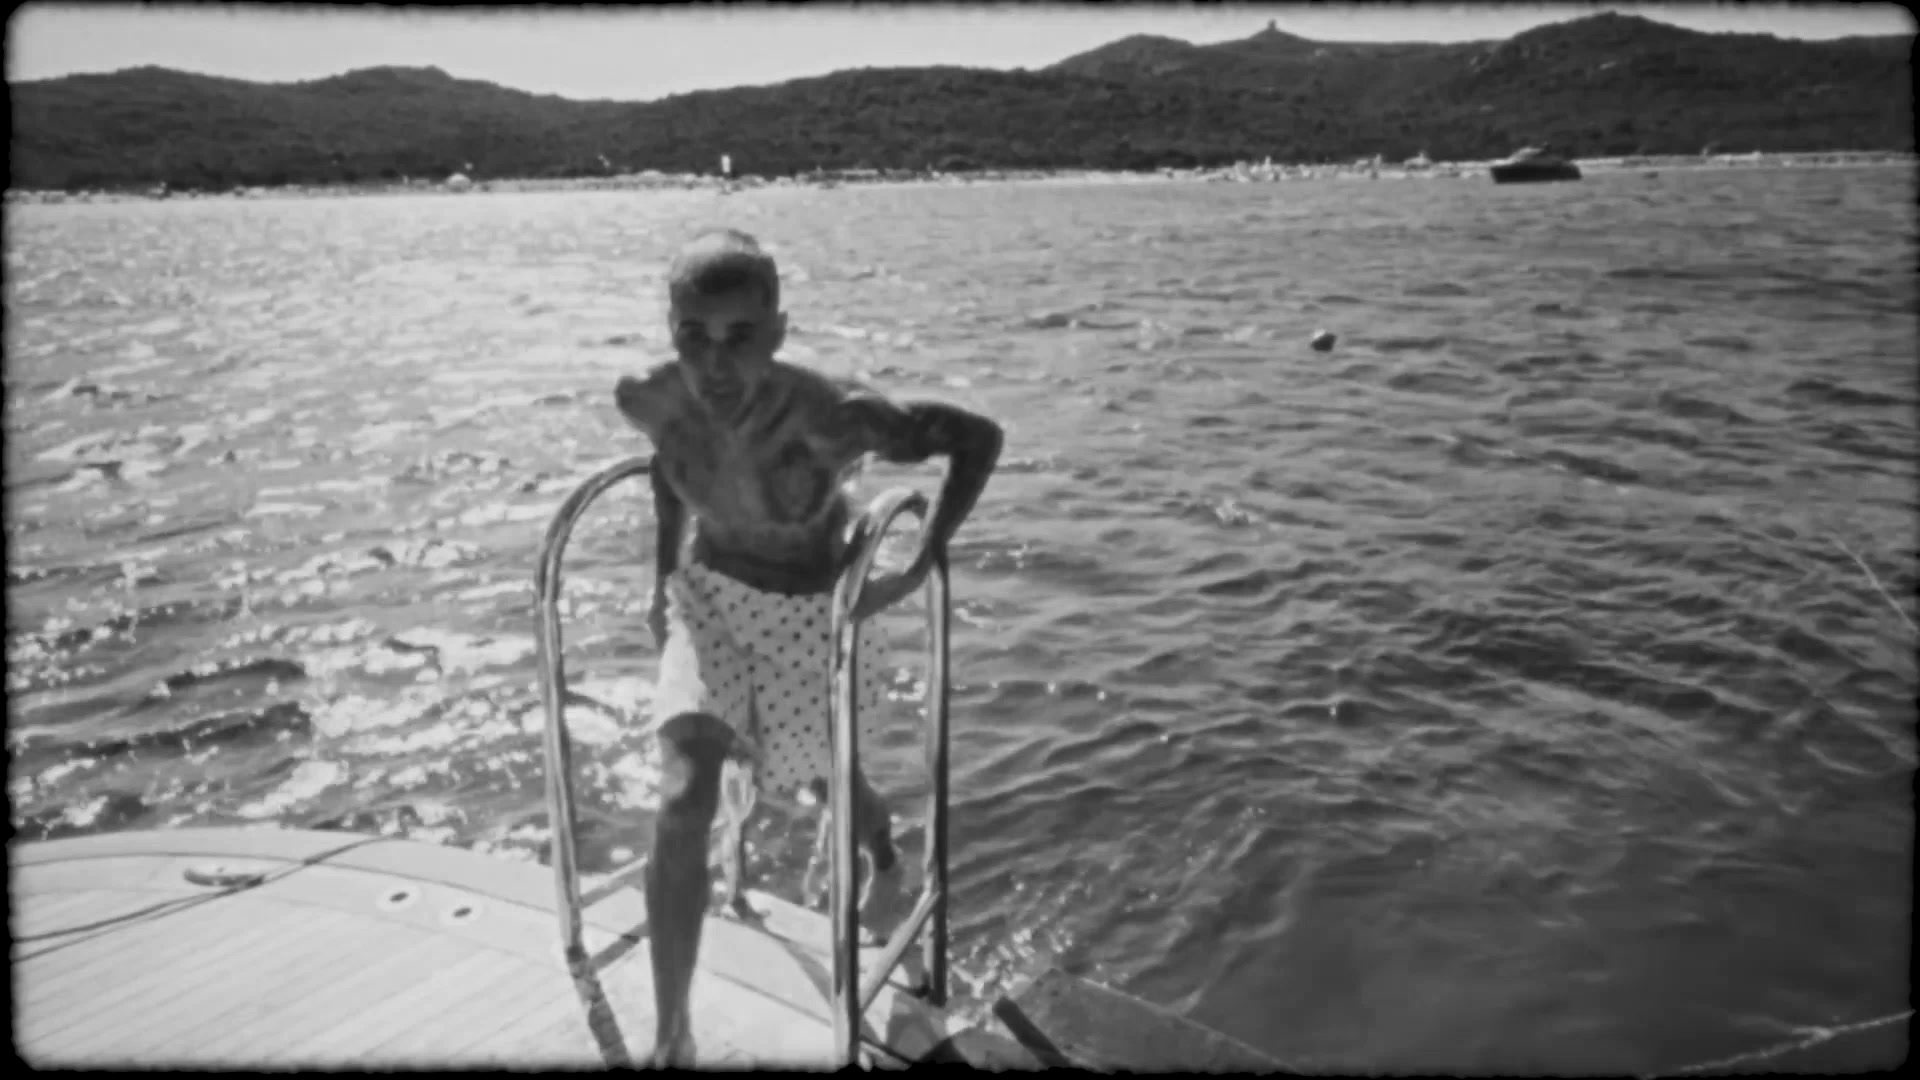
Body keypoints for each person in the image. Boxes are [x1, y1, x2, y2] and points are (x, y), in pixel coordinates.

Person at [614, 228, 1003, 1065]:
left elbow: (978, 438)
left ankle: (883, 856)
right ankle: (672, 1036)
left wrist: (921, 555)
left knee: (832, 785)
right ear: (671, 327)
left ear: (778, 331)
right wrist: (660, 582)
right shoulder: (650, 398)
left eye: (740, 336)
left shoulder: (837, 414)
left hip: (809, 620)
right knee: (684, 788)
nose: (715, 364)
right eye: (693, 335)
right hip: (710, 606)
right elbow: (668, 470)